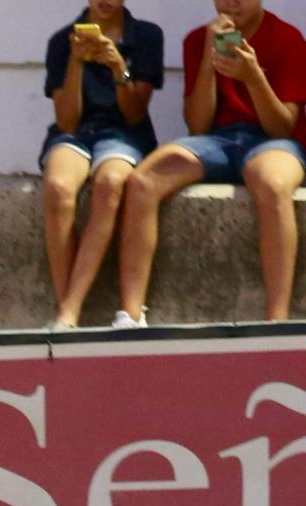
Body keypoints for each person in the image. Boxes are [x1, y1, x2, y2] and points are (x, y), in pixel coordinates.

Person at [115, 0, 306, 326]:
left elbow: (282, 125)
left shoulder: (288, 39)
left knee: (272, 184)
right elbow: (198, 125)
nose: (231, 3)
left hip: (272, 142)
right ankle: (130, 316)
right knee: (142, 181)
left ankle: (276, 322)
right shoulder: (197, 40)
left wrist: (253, 76)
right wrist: (208, 57)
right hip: (217, 140)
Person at [41, 1, 164, 328]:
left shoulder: (147, 36)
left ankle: (70, 308)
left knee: (111, 183)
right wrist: (76, 63)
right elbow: (67, 121)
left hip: (125, 133)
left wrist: (118, 68)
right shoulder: (61, 41)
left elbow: (134, 115)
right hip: (77, 133)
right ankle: (66, 313)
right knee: (58, 188)